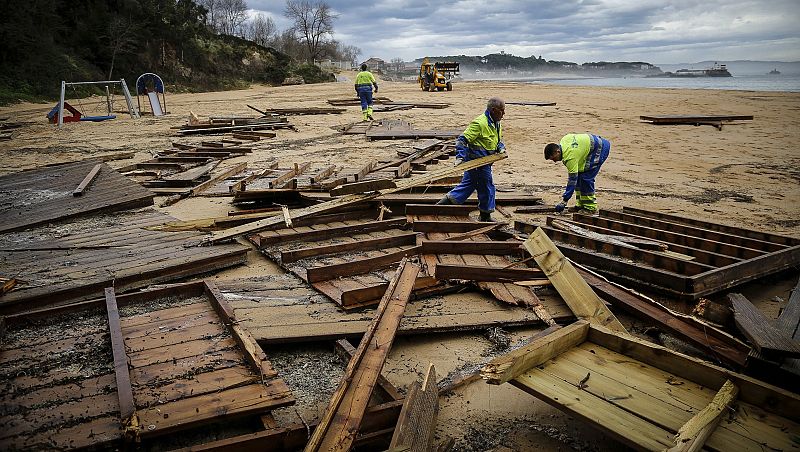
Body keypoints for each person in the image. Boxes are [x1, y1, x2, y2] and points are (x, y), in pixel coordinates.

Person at [436, 97, 506, 222]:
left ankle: (438, 208)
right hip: (477, 163)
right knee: (487, 187)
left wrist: (501, 148)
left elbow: (497, 140)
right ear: (494, 110)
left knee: (467, 186)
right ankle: (485, 216)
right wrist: (460, 157)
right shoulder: (480, 123)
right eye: (502, 111)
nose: (504, 114)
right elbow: (462, 140)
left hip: (486, 162)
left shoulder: (496, 124)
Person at [544, 133, 611, 215]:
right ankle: (580, 205)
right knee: (579, 178)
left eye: (554, 158)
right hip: (592, 147)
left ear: (558, 151)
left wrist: (564, 201)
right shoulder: (564, 140)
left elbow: (572, 181)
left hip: (600, 149)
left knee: (586, 178)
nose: (554, 161)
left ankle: (590, 207)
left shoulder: (570, 157)